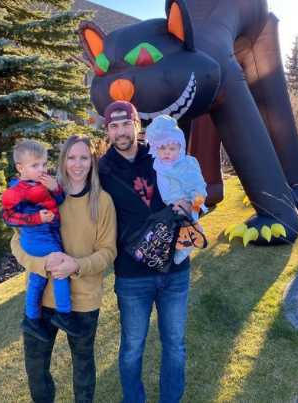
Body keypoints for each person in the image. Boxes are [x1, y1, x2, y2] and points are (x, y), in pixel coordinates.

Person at [10, 134, 117, 403]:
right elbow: (17, 241)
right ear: (62, 160)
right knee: (36, 369)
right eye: (71, 157)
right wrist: (41, 264)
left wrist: (77, 265)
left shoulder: (102, 201)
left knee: (83, 367)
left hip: (83, 302)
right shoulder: (40, 193)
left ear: (92, 162)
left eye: (84, 157)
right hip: (43, 298)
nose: (77, 164)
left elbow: (108, 252)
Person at [99, 101, 192, 403]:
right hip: (132, 274)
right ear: (107, 131)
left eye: (126, 123)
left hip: (175, 271)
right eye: (114, 126)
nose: (121, 131)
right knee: (131, 347)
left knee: (175, 344)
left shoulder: (162, 154)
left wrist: (190, 204)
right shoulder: (102, 170)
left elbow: (191, 184)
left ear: (138, 125)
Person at [2, 139, 80, 340]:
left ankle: (31, 319)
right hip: (37, 237)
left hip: (47, 234)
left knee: (37, 278)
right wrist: (37, 218)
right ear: (20, 167)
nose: (41, 169)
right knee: (60, 269)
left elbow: (60, 202)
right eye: (35, 165)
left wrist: (55, 188)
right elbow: (8, 217)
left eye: (44, 164)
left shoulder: (42, 183)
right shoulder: (16, 191)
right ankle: (64, 314)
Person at [145, 114, 207, 263]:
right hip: (169, 205)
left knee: (187, 228)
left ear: (180, 147)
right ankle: (171, 252)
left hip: (184, 201)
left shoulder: (185, 164)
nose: (167, 152)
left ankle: (186, 248)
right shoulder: (158, 164)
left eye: (172, 148)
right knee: (171, 231)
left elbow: (196, 183)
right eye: (162, 148)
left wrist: (195, 203)